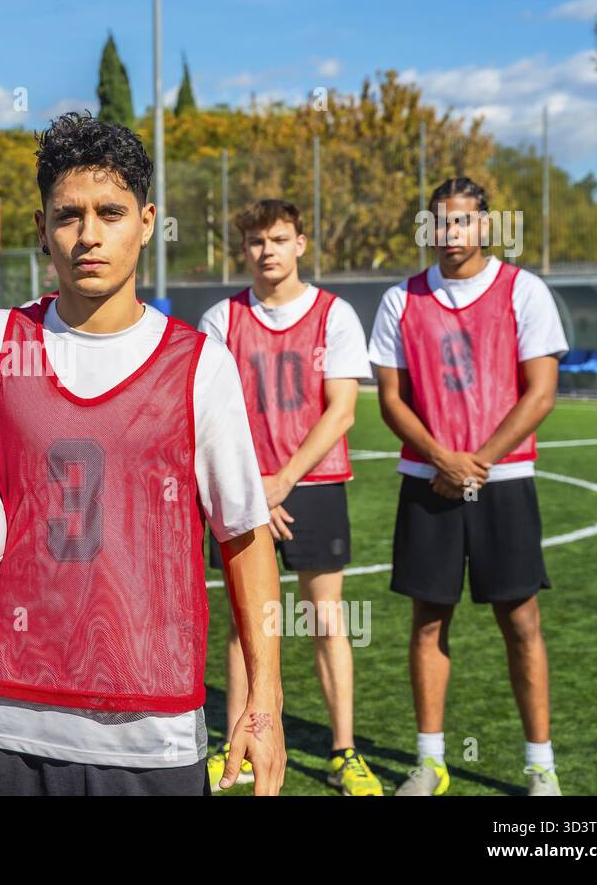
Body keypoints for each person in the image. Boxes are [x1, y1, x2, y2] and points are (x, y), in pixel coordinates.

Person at [0, 112, 287, 796]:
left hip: (155, 732)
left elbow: (244, 536)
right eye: (67, 216)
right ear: (41, 231)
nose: (89, 234)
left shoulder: (198, 364)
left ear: (147, 221)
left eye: (111, 212)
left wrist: (263, 702)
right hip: (9, 723)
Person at [368, 176, 567, 796]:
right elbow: (392, 399)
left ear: (486, 226)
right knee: (429, 619)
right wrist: (440, 459)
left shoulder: (523, 291)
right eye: (440, 222)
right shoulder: (400, 300)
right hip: (429, 481)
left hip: (502, 479)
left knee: (522, 621)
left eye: (463, 221)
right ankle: (430, 762)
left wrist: (476, 461)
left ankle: (540, 765)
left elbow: (541, 392)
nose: (450, 234)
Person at [198, 198, 380, 795]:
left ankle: (343, 751)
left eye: (279, 239)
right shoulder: (221, 319)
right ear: (243, 249)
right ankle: (239, 744)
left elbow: (343, 411)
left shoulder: (334, 314)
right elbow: (210, 418)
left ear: (300, 242)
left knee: (325, 618)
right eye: (255, 241)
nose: (267, 251)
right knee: (244, 621)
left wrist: (284, 481)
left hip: (315, 485)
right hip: (242, 489)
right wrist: (256, 486)